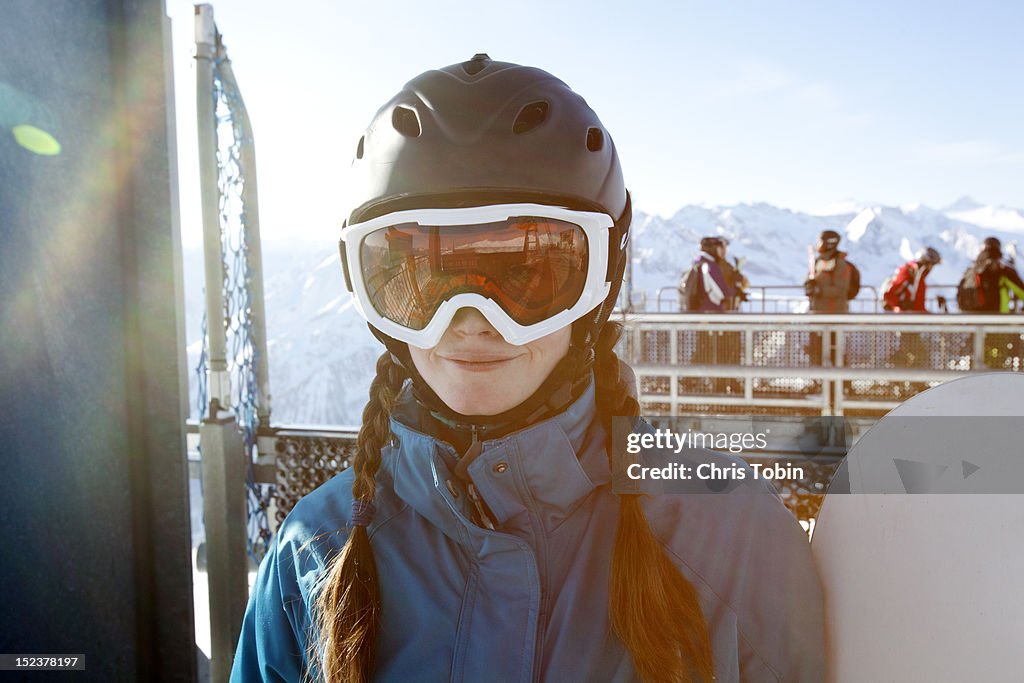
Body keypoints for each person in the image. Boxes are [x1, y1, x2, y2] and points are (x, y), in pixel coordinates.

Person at [231, 55, 823, 683]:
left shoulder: (732, 537)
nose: (471, 322)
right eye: (421, 278)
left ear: (601, 283)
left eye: (527, 275)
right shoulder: (318, 553)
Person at [804, 230, 860, 367]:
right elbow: (811, 280)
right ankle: (821, 383)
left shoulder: (840, 264)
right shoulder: (818, 262)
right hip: (818, 315)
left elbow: (841, 290)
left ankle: (840, 384)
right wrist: (809, 286)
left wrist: (819, 290)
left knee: (835, 352)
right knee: (817, 351)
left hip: (835, 315)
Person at [883, 247, 942, 367]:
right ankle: (909, 380)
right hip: (906, 319)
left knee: (909, 350)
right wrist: (900, 306)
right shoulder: (911, 271)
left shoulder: (917, 274)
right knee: (918, 352)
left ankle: (899, 378)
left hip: (910, 318)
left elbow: (917, 302)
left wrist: (926, 314)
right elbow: (890, 294)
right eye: (932, 265)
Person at [882, 247, 942, 313]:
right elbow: (889, 294)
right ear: (926, 263)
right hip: (904, 316)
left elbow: (918, 305)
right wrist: (901, 305)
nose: (931, 268)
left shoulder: (914, 273)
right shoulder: (912, 272)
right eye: (931, 265)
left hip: (907, 314)